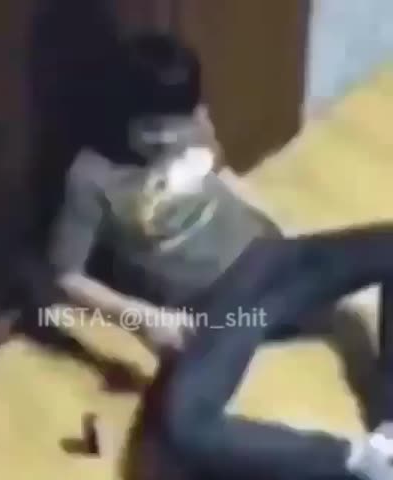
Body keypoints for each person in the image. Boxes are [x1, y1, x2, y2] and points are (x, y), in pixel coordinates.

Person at [49, 31, 281, 352]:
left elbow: (221, 172)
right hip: (210, 303)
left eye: (178, 124)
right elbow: (66, 276)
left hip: (266, 251)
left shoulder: (196, 120)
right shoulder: (92, 175)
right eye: (150, 128)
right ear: (121, 116)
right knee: (202, 372)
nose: (167, 139)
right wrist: (142, 317)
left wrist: (270, 215)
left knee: (351, 275)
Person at [129, 224, 393, 480]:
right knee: (181, 432)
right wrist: (135, 315)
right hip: (226, 302)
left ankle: (381, 450)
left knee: (179, 436)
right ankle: (366, 461)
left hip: (262, 262)